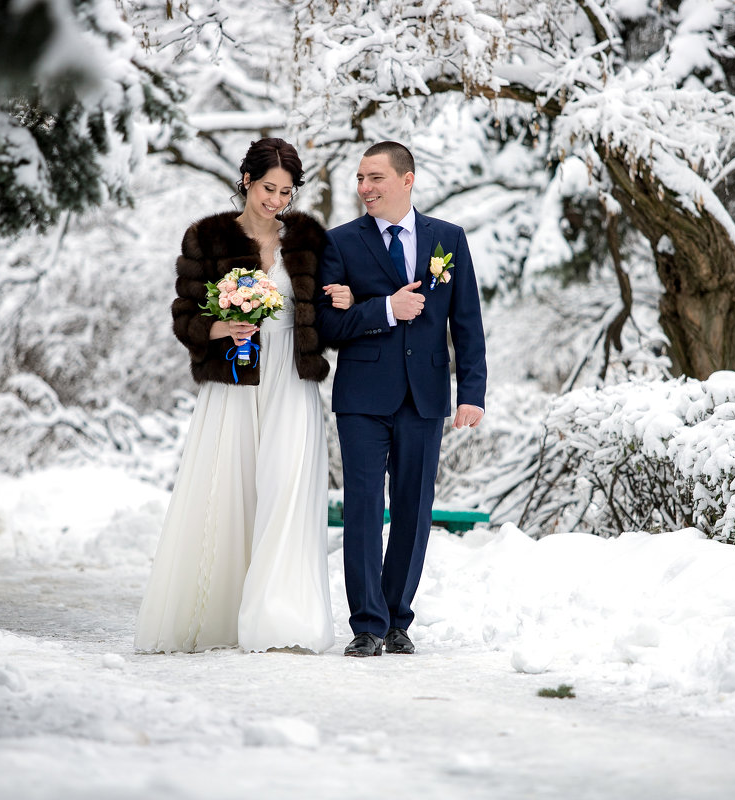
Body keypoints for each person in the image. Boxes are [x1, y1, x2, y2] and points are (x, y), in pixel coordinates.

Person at [135, 138, 353, 654]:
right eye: (266, 188)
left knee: (286, 490)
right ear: (246, 182)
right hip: (236, 382)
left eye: (285, 191)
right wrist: (220, 328)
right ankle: (218, 615)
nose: (275, 200)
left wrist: (345, 299)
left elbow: (328, 313)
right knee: (228, 493)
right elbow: (184, 316)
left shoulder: (309, 239)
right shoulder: (207, 237)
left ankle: (280, 618)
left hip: (292, 381)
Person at [315, 141, 487, 657]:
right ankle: (366, 624)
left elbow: (468, 323)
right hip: (363, 396)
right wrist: (384, 309)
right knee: (364, 509)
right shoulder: (340, 243)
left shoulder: (448, 239)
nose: (364, 188)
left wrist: (472, 391)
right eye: (360, 179)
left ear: (406, 180)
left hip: (427, 395)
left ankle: (396, 619)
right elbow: (327, 324)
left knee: (414, 509)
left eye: (376, 178)